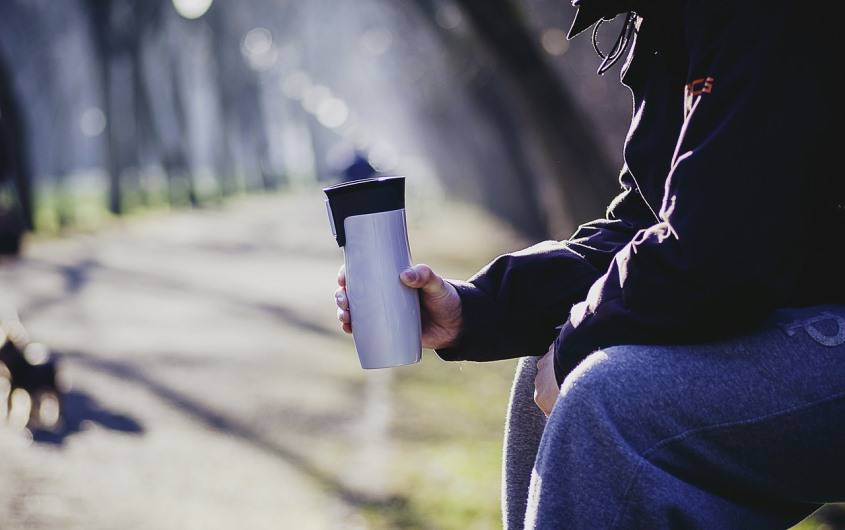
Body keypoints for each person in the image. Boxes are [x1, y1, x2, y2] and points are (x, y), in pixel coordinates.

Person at [334, 0, 845, 527]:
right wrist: (477, 309)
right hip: (805, 312)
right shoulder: (668, 21)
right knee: (547, 369)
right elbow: (646, 226)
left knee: (607, 401)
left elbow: (720, 254)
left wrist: (582, 335)